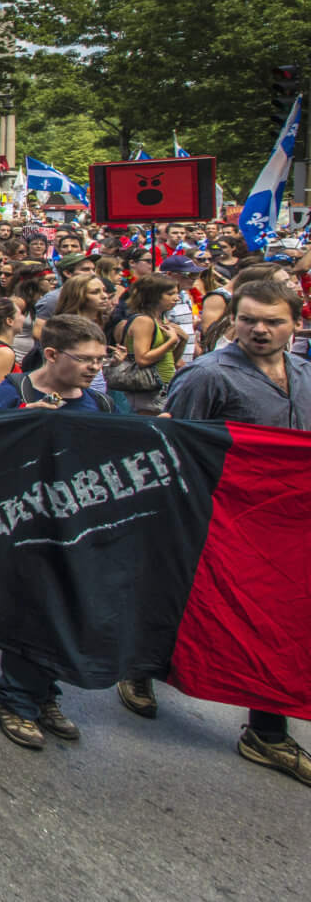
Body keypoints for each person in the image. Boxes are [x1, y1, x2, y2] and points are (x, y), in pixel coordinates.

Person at [144, 280, 311, 784]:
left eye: (273, 321)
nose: (260, 329)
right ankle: (142, 667)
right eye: (249, 319)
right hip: (221, 521)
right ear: (231, 321)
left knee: (277, 623)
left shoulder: (305, 372)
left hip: (286, 526)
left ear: (295, 325)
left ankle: (266, 730)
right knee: (191, 604)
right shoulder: (206, 375)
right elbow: (180, 451)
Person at [0, 313, 111, 751]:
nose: (94, 368)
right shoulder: (16, 391)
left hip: (78, 527)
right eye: (85, 359)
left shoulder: (100, 404)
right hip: (24, 525)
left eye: (101, 360)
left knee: (66, 611)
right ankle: (17, 699)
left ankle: (46, 693)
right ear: (52, 355)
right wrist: (22, 420)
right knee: (32, 611)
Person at [114, 274, 185, 415]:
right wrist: (171, 342)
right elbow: (143, 359)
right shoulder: (144, 321)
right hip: (147, 391)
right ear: (153, 295)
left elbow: (170, 360)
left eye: (177, 293)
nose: (177, 298)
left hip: (164, 385)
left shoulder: (161, 320)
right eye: (170, 294)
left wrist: (182, 341)